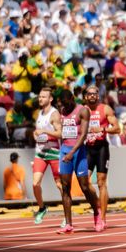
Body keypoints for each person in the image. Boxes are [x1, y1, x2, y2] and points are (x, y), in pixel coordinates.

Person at [57, 89, 102, 234]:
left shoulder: (82, 111)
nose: (64, 105)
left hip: (79, 152)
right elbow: (61, 131)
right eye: (62, 103)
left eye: (66, 102)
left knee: (85, 187)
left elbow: (83, 135)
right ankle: (68, 224)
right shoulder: (61, 111)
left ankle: (97, 213)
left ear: (72, 98)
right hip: (65, 151)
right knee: (65, 187)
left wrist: (71, 152)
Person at [85, 85, 120, 229]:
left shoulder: (105, 109)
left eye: (95, 94)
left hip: (101, 149)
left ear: (98, 96)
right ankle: (97, 206)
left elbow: (117, 129)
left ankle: (103, 218)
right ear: (86, 97)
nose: (92, 96)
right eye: (89, 94)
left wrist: (103, 129)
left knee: (101, 182)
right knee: (84, 183)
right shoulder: (82, 110)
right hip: (87, 148)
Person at [32, 88, 63, 224]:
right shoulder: (39, 113)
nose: (40, 99)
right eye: (39, 97)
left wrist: (45, 131)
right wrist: (35, 135)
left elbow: (60, 133)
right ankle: (42, 208)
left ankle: (67, 214)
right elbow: (36, 131)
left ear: (50, 99)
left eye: (44, 97)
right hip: (41, 153)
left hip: (54, 152)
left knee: (60, 185)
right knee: (35, 183)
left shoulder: (54, 114)